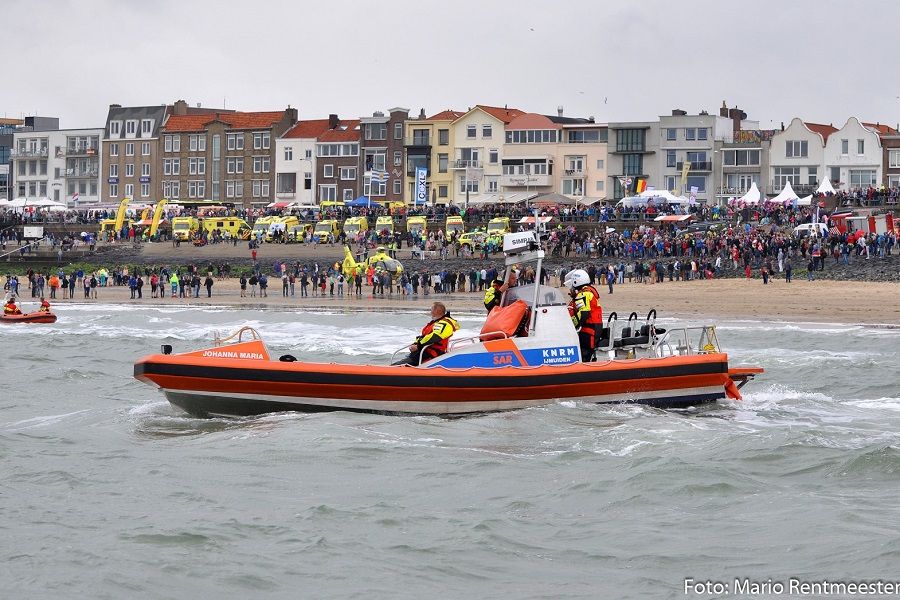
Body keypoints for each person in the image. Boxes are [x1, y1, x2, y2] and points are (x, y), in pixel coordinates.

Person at [392, 302, 460, 366]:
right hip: (425, 350)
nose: (430, 312)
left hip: (431, 353)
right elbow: (424, 336)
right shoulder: (436, 322)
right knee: (401, 362)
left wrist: (418, 346)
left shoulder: (444, 324)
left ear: (437, 311)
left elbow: (434, 337)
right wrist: (415, 343)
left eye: (431, 310)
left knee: (402, 364)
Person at [563, 268, 603, 362]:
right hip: (593, 329)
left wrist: (571, 324)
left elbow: (584, 313)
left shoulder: (583, 294)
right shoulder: (589, 293)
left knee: (583, 356)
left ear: (576, 282)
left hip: (588, 332)